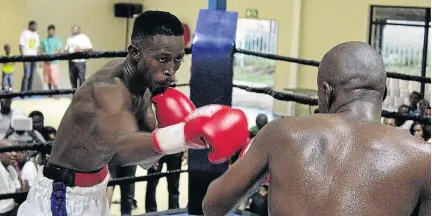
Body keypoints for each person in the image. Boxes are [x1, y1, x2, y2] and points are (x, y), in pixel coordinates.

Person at [17, 11, 249, 216]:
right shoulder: (109, 90)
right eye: (162, 58)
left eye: (178, 59)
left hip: (93, 191)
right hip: (62, 197)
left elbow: (147, 162)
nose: (170, 70)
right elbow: (121, 148)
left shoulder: (145, 87)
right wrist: (184, 133)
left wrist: (169, 130)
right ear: (135, 53)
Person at [203, 41, 431, 216]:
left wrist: (259, 168)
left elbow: (212, 206)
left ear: (325, 92)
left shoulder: (281, 133)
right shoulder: (424, 159)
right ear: (385, 93)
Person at [40, 24, 62, 92]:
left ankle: (56, 93)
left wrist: (51, 58)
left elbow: (58, 50)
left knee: (54, 77)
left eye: (52, 31)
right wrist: (46, 59)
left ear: (54, 31)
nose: (50, 32)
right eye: (49, 31)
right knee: (47, 78)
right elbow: (41, 50)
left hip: (54, 62)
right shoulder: (43, 40)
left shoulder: (57, 40)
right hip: (46, 62)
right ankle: (50, 93)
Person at [19, 20, 40, 92]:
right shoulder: (24, 33)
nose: (36, 27)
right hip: (27, 57)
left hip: (34, 58)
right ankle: (23, 92)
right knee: (26, 75)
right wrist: (23, 59)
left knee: (32, 76)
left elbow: (37, 48)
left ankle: (29, 92)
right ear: (30, 26)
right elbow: (20, 46)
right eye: (35, 25)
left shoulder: (36, 35)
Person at [0, 139, 19, 216]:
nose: (14, 154)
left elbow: (18, 188)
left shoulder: (11, 169)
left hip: (13, 209)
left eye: (15, 150)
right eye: (10, 150)